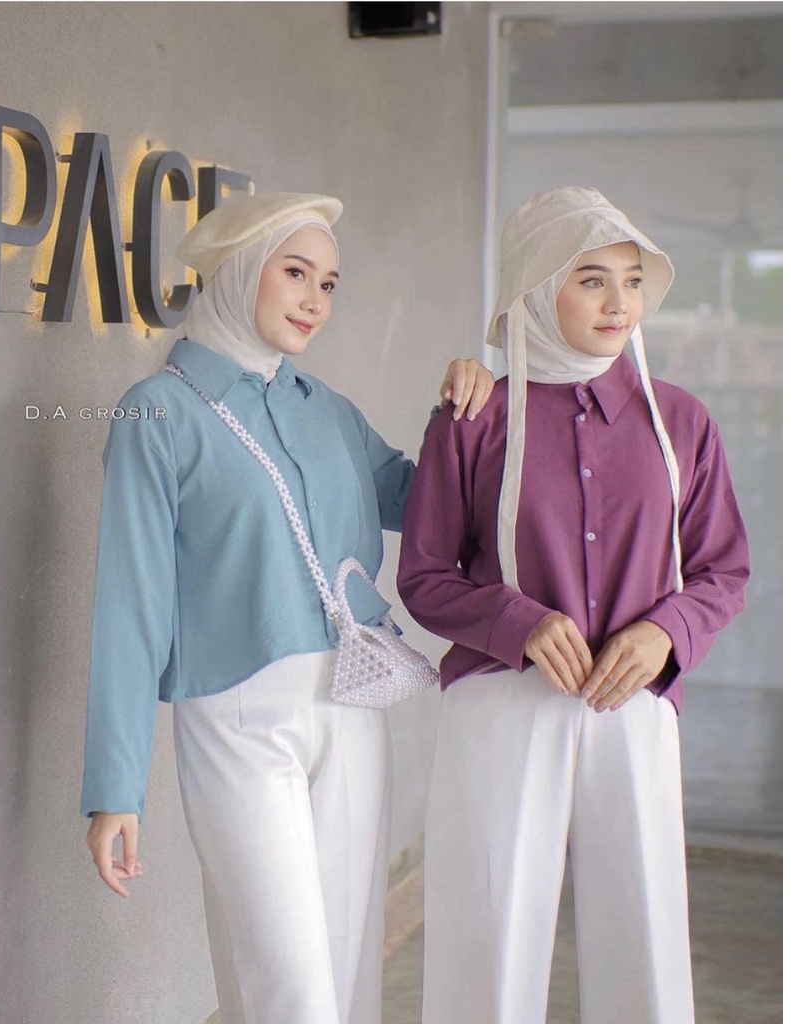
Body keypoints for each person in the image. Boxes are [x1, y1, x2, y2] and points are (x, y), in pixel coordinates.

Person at [79, 191, 494, 1024]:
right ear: (237, 271)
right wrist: (115, 788)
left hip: (353, 705)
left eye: (329, 283)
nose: (315, 300)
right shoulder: (158, 413)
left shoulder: (326, 409)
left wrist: (467, 415)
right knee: (288, 982)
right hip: (238, 717)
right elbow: (130, 608)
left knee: (346, 972)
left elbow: (433, 507)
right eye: (296, 273)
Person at [397, 185, 750, 1024]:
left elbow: (723, 569)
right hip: (503, 700)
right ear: (536, 286)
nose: (619, 303)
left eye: (631, 281)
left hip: (634, 703)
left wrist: (665, 634)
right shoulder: (474, 417)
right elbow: (424, 575)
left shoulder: (682, 422)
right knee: (489, 926)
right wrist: (519, 622)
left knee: (645, 932)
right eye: (591, 280)